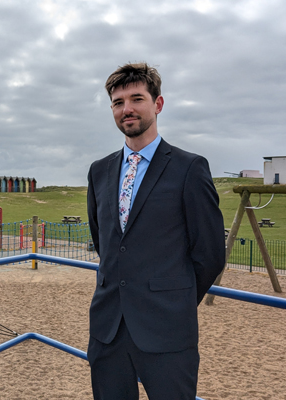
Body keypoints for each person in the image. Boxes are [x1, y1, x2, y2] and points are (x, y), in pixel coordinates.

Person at [86, 63, 226, 399]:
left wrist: (172, 301)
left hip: (167, 332)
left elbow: (209, 254)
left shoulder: (189, 168)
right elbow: (105, 242)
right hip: (108, 330)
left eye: (137, 99)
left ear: (158, 104)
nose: (127, 109)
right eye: (118, 103)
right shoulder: (99, 171)